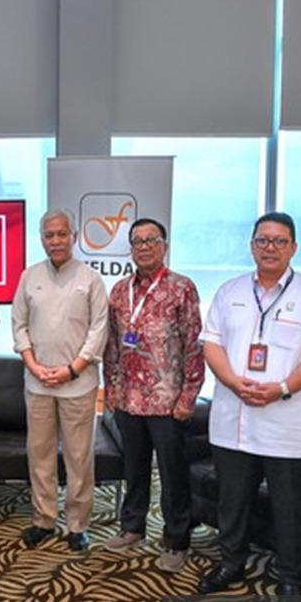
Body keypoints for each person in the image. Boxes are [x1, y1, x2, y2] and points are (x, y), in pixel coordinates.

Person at [197, 212, 301, 596]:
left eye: (279, 241)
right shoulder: (229, 292)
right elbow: (211, 344)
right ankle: (231, 563)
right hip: (234, 418)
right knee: (232, 502)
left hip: (289, 421)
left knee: (291, 506)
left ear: (294, 248)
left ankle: (291, 576)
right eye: (263, 240)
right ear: (251, 246)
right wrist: (233, 382)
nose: (270, 248)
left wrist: (281, 388)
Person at [102, 218, 204, 573]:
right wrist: (111, 388)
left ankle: (176, 540)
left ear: (164, 245)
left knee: (173, 473)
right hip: (128, 398)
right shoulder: (119, 291)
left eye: (151, 240)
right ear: (131, 249)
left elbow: (194, 345)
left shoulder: (181, 288)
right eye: (138, 242)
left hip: (167, 400)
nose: (144, 247)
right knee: (134, 466)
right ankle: (133, 527)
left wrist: (188, 396)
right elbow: (113, 345)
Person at [12, 209, 108, 552]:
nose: (56, 240)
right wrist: (33, 365)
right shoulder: (29, 276)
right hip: (37, 382)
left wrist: (72, 369)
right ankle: (44, 518)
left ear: (74, 237)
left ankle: (78, 525)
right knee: (39, 454)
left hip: (78, 384)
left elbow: (99, 330)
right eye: (49, 235)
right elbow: (19, 325)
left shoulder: (91, 279)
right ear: (42, 239)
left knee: (79, 457)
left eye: (62, 234)